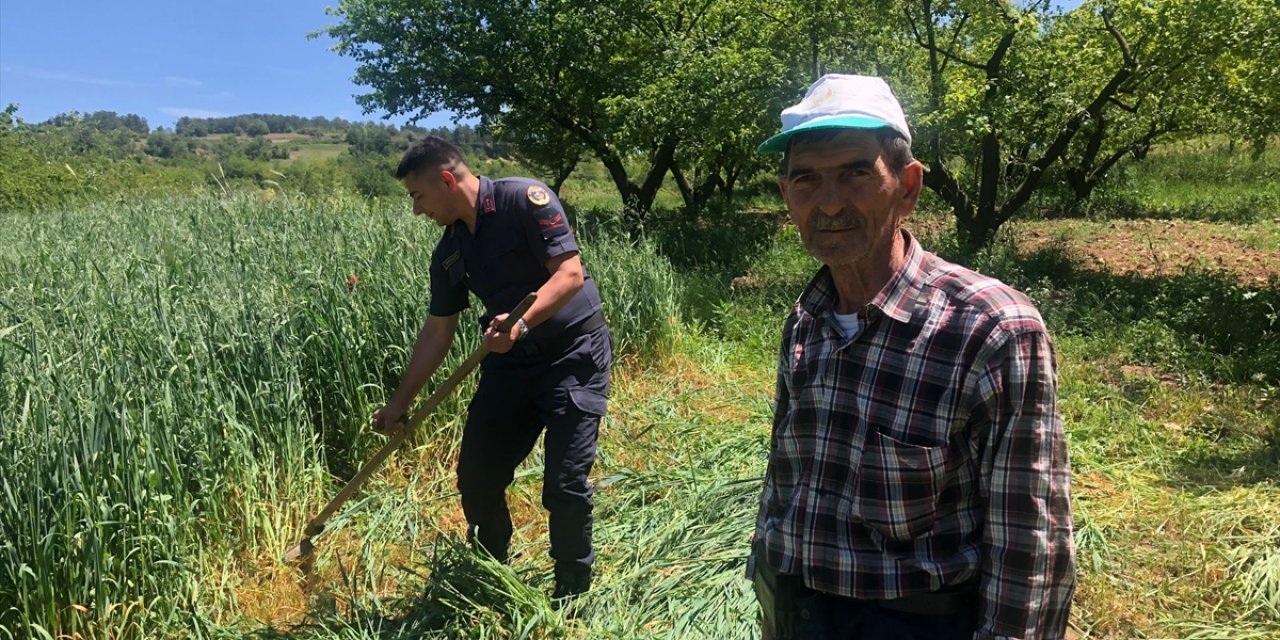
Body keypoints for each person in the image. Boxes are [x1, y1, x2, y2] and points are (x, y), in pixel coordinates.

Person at [748, 74, 1075, 639]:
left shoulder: (990, 329)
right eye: (807, 179)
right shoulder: (808, 317)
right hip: (798, 609)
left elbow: (1031, 546)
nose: (829, 204)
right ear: (785, 195)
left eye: (854, 173)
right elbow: (786, 482)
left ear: (907, 186)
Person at [373, 136, 611, 599]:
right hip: (509, 364)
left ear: (446, 180)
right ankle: (491, 568)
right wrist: (399, 404)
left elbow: (569, 274)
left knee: (563, 484)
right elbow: (438, 331)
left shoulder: (524, 199)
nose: (417, 210)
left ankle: (571, 592)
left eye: (418, 196)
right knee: (477, 475)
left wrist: (521, 319)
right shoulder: (449, 254)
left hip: (573, 354)